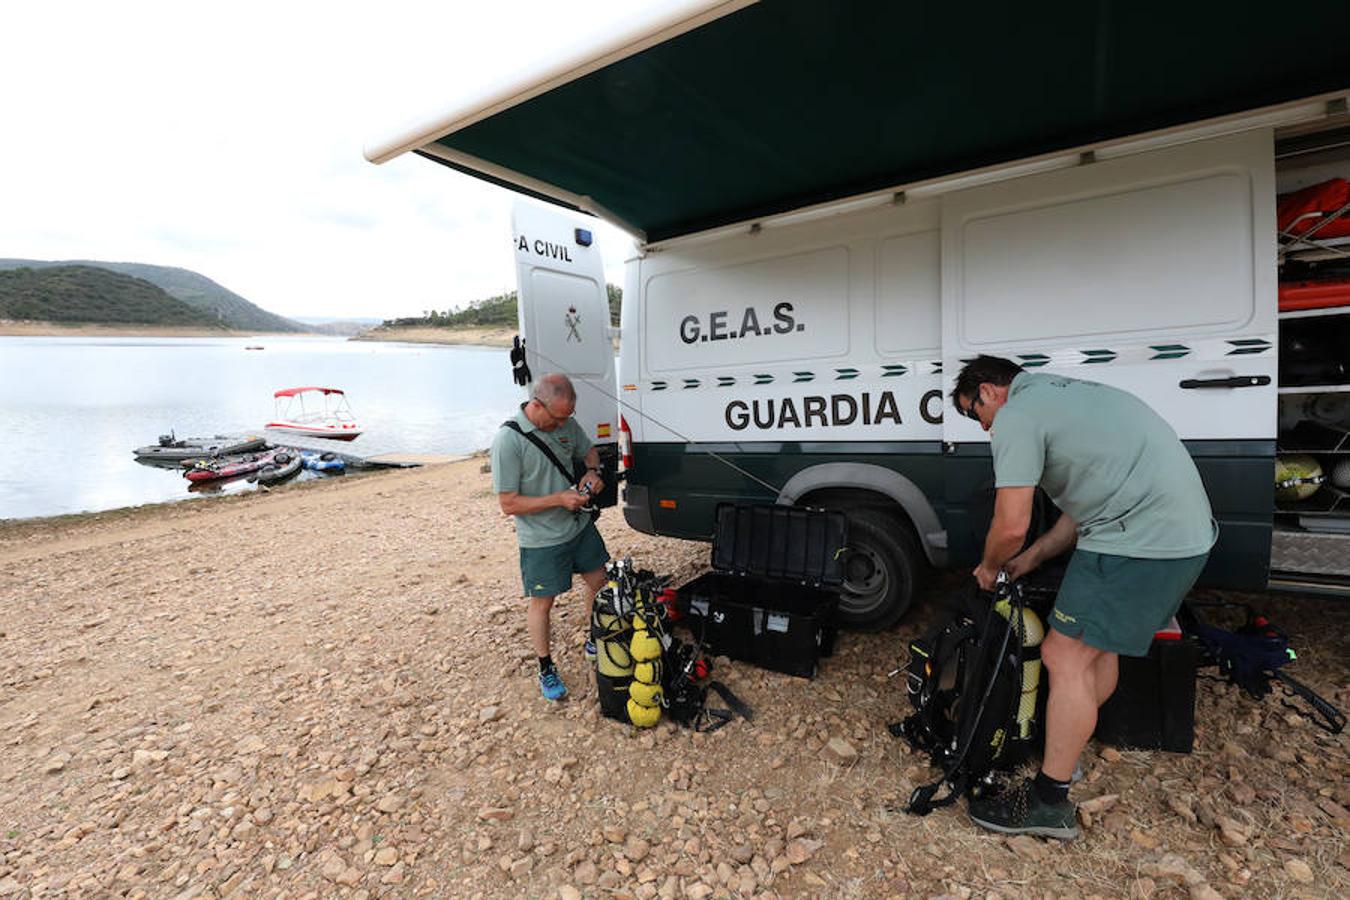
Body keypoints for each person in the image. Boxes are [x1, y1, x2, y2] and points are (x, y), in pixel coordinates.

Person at [951, 355, 1216, 840]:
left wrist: (990, 567)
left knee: (1062, 653)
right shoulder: (1070, 396)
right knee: (1097, 647)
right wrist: (1031, 558)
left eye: (975, 415)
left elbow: (1009, 524)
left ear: (988, 392)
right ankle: (1066, 755)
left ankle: (1049, 802)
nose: (983, 428)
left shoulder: (1017, 416)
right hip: (1179, 539)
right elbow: (1081, 507)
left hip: (1138, 542)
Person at [491, 373, 609, 701]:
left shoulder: (566, 424)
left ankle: (594, 639)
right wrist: (559, 498)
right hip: (542, 539)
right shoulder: (508, 441)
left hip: (579, 526)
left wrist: (592, 473)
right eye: (557, 418)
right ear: (536, 404)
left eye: (567, 417)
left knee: (599, 582)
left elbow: (590, 453)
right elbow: (508, 503)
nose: (563, 425)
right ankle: (546, 667)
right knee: (543, 603)